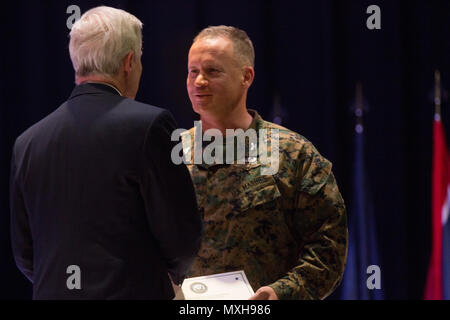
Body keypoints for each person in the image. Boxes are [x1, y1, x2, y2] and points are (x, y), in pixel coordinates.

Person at [9, 6, 202, 299]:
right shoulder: (150, 125)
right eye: (139, 60)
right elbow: (181, 239)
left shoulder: (27, 142)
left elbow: (25, 254)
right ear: (128, 62)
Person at [182, 25, 348, 300]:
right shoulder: (169, 154)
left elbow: (328, 248)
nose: (199, 81)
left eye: (212, 71)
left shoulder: (294, 155)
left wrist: (280, 293)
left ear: (246, 76)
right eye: (193, 71)